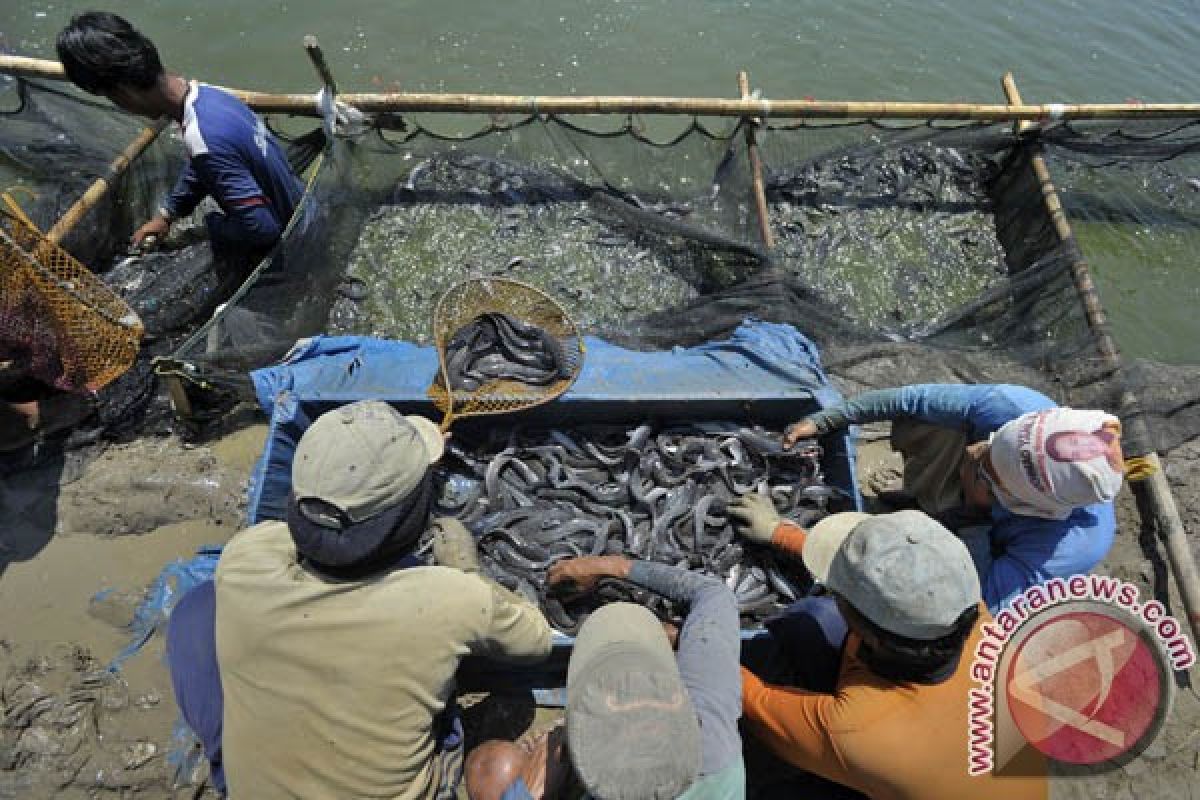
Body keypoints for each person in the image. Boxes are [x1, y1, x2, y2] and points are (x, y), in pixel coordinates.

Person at [165, 400, 552, 798]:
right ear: (410, 518)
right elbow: (536, 639)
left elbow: (330, 533)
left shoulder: (245, 558)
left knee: (196, 611)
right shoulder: (449, 599)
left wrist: (394, 487)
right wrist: (467, 572)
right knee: (499, 766)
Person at [736, 509, 1047, 800]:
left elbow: (754, 701)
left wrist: (697, 634)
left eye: (839, 593)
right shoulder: (964, 612)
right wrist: (783, 534)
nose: (833, 593)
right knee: (813, 617)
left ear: (867, 632)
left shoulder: (855, 730)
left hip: (889, 753)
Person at [780, 384, 1124, 611]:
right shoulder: (1015, 407)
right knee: (927, 422)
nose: (974, 451)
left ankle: (941, 520)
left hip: (987, 551)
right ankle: (923, 501)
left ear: (1028, 505)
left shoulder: (1071, 546)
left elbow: (978, 603)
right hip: (978, 501)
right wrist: (825, 420)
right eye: (989, 445)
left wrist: (974, 515)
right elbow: (909, 400)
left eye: (988, 471)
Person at [465, 554, 745, 800]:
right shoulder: (711, 723)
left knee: (491, 773)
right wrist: (615, 566)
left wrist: (527, 792)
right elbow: (714, 595)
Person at [56, 12, 303, 274]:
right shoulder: (210, 96)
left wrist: (211, 226)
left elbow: (262, 229)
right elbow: (203, 163)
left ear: (123, 91)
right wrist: (167, 214)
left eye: (111, 97)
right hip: (298, 207)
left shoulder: (203, 137)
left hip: (289, 246)